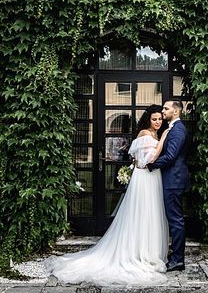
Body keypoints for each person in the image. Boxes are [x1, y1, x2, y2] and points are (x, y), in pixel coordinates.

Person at [45, 105, 170, 286]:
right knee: (142, 213)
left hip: (152, 178)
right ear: (148, 120)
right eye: (154, 119)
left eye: (160, 119)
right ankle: (140, 252)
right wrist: (163, 140)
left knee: (151, 214)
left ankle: (150, 251)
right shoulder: (145, 134)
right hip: (145, 178)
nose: (158, 122)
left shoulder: (154, 134)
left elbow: (137, 160)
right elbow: (146, 161)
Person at [147, 100, 190, 272]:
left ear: (176, 111)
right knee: (174, 219)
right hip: (172, 179)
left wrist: (151, 164)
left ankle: (178, 259)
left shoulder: (178, 130)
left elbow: (171, 156)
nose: (163, 111)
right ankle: (175, 255)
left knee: (176, 220)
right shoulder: (172, 128)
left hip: (174, 180)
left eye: (166, 108)